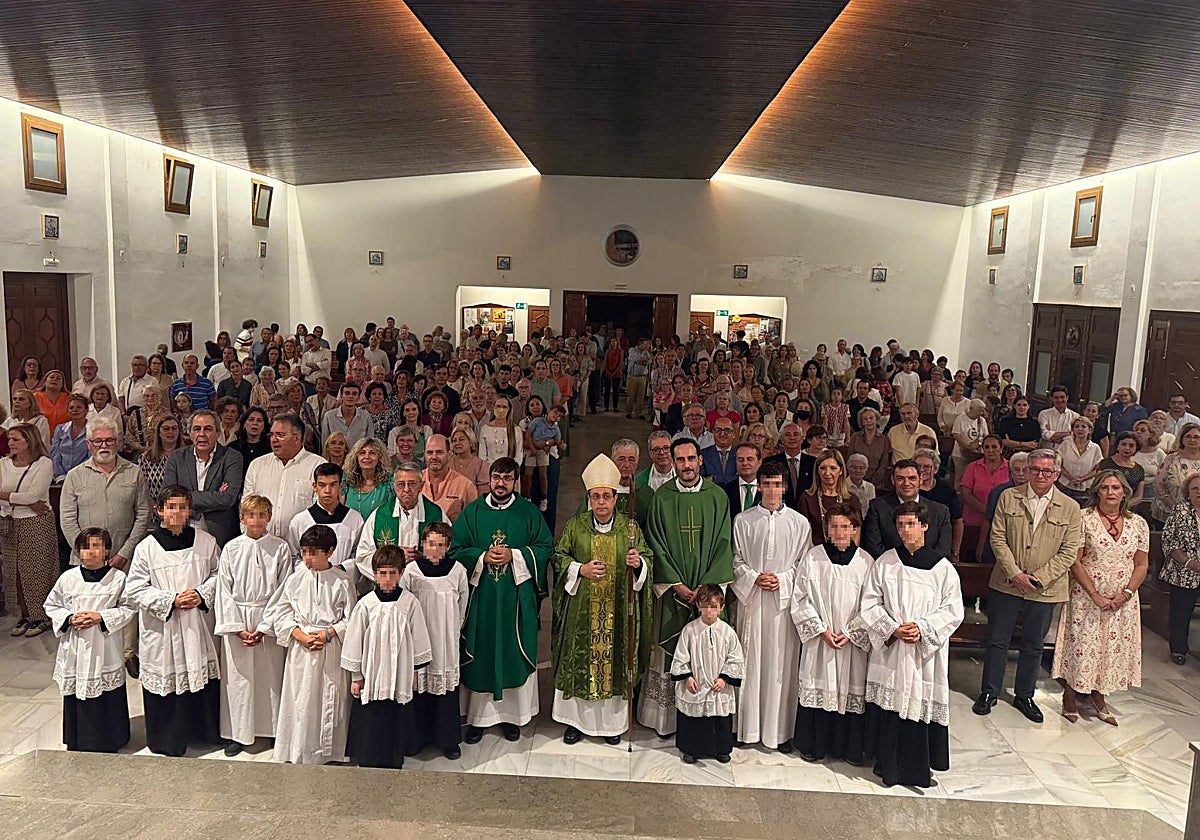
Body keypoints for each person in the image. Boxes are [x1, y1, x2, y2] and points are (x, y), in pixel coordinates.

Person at [853, 501, 963, 787]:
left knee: (917, 702)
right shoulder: (886, 562)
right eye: (900, 525)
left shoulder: (942, 569)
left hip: (922, 653)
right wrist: (892, 628)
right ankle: (885, 763)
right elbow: (870, 603)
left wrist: (923, 629)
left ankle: (916, 767)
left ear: (925, 526)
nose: (905, 530)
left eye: (911, 524)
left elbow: (953, 611)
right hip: (892, 648)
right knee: (890, 704)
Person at [975, 449, 1082, 722]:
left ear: (1057, 474)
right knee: (997, 640)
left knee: (1033, 645)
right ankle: (989, 691)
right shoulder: (1008, 497)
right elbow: (997, 538)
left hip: (1045, 589)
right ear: (1026, 470)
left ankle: (1024, 695)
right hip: (1006, 583)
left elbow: (1069, 551)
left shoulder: (1070, 507)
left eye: (1047, 471)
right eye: (1035, 469)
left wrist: (1039, 578)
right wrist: (1015, 574)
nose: (1040, 475)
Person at [551, 454, 651, 745]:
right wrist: (579, 569)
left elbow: (647, 558)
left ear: (615, 498)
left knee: (616, 662)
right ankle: (575, 723)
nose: (602, 502)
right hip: (582, 611)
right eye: (596, 497)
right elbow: (558, 558)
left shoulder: (629, 528)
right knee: (580, 661)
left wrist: (638, 563)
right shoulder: (577, 526)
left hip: (618, 610)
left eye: (607, 496)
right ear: (589, 498)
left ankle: (611, 726)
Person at [452, 457, 553, 742]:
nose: (500, 483)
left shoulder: (529, 512)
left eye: (507, 479)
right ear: (489, 479)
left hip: (516, 600)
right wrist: (481, 556)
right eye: (496, 477)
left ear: (515, 481)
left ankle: (513, 718)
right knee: (481, 651)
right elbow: (455, 549)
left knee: (511, 651)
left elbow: (546, 547)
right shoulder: (472, 513)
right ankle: (478, 719)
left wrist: (516, 555)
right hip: (482, 598)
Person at [638, 439, 734, 737]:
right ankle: (666, 721)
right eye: (680, 460)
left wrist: (706, 589)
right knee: (669, 653)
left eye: (691, 458)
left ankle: (705, 724)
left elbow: (723, 543)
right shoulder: (662, 497)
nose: (687, 465)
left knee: (708, 654)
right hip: (673, 593)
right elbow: (655, 542)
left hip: (707, 596)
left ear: (700, 461)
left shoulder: (717, 497)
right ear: (673, 462)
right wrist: (676, 584)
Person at [124, 486, 222, 756]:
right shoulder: (147, 548)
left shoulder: (205, 541)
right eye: (171, 507)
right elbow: (135, 588)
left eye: (182, 507)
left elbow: (219, 574)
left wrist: (201, 593)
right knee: (168, 679)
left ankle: (204, 734)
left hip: (196, 625)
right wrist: (171, 601)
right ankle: (168, 739)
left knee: (200, 675)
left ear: (189, 511)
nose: (177, 513)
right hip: (163, 627)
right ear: (160, 511)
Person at [1051, 471, 1148, 725]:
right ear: (1097, 491)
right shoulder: (1084, 519)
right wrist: (1094, 593)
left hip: (1122, 598)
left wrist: (1126, 593)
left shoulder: (1138, 523)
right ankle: (1070, 693)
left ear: (1124, 491)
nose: (1111, 492)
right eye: (1105, 488)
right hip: (1086, 594)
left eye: (1116, 487)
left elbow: (1140, 564)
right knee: (1082, 644)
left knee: (1110, 648)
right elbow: (1076, 560)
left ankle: (1099, 694)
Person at [730, 461, 809, 751]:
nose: (773, 489)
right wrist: (753, 577)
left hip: (782, 608)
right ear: (759, 486)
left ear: (785, 487)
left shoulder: (800, 524)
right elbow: (735, 559)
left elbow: (804, 563)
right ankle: (747, 729)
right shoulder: (743, 520)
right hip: (752, 604)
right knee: (750, 664)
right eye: (767, 483)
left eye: (778, 484)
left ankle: (780, 732)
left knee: (781, 669)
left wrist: (784, 579)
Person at [264, 523, 354, 764]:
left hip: (330, 648)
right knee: (301, 700)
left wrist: (330, 633)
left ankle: (329, 751)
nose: (307, 558)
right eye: (304, 551)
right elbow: (280, 613)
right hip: (302, 649)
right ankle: (298, 749)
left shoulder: (342, 581)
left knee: (329, 700)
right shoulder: (295, 580)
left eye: (314, 552)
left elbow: (352, 619)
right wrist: (299, 635)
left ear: (330, 551)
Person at [790, 502, 872, 765]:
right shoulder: (813, 558)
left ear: (855, 529)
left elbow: (872, 605)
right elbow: (800, 599)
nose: (839, 531)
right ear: (826, 529)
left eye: (845, 526)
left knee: (849, 691)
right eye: (834, 526)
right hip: (821, 640)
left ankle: (849, 748)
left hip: (851, 642)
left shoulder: (865, 562)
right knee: (819, 687)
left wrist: (850, 632)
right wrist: (821, 630)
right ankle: (814, 745)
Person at [213, 495, 292, 756]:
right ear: (242, 518)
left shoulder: (280, 548)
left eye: (261, 515)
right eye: (251, 515)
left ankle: (270, 730)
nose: (256, 521)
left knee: (270, 677)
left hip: (268, 616)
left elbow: (283, 589)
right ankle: (238, 733)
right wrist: (236, 626)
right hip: (238, 616)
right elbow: (224, 589)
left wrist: (265, 626)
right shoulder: (231, 548)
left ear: (269, 517)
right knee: (239, 680)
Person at [341, 544, 432, 769]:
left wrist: (413, 672)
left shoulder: (409, 602)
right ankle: (368, 759)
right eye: (383, 573)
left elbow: (418, 636)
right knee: (371, 718)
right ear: (375, 574)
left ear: (401, 573)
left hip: (399, 673)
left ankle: (394, 759)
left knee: (395, 716)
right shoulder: (366, 604)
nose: (388, 578)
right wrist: (356, 676)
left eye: (393, 573)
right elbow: (354, 641)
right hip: (371, 675)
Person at [44, 527, 134, 752]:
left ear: (106, 550)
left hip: (105, 645)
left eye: (97, 546)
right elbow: (52, 605)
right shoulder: (68, 578)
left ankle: (113, 738)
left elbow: (129, 607)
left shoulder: (118, 578)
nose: (91, 552)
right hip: (76, 645)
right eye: (86, 547)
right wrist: (70, 618)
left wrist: (100, 617)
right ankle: (78, 738)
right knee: (77, 690)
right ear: (78, 552)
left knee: (107, 690)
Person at [402, 522, 468, 759]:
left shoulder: (457, 570)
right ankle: (418, 738)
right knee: (420, 687)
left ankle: (448, 740)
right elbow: (404, 605)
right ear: (422, 544)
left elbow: (463, 602)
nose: (434, 550)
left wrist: (452, 629)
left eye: (440, 545)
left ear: (448, 546)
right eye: (430, 544)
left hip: (445, 639)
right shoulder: (411, 571)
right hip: (419, 637)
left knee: (445, 689)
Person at [670, 583, 744, 764]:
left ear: (721, 608)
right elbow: (680, 657)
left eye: (713, 606)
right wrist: (687, 677)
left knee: (720, 720)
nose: (708, 611)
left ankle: (721, 750)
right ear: (698, 606)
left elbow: (735, 658)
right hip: (696, 684)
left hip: (718, 686)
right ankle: (691, 750)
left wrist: (724, 679)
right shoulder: (690, 630)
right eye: (704, 606)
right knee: (693, 721)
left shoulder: (727, 632)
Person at [0, 424, 56, 637]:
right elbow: (29, 498)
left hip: (36, 523)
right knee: (14, 572)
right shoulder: (3, 464)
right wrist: (23, 500)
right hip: (9, 523)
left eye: (15, 439)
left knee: (37, 571)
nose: (10, 443)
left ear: (29, 441)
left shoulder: (43, 463)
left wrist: (10, 497)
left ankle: (41, 616)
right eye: (9, 439)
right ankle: (24, 614)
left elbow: (35, 495)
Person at [354, 462, 444, 586]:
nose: (406, 489)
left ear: (421, 485)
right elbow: (363, 557)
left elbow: (449, 551)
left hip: (427, 586)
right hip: (390, 589)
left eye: (412, 484)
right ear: (394, 486)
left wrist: (425, 558)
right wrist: (394, 561)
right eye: (401, 484)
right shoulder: (379, 515)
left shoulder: (436, 514)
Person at [164, 410, 244, 547]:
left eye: (208, 429)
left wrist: (186, 496)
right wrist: (215, 496)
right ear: (190, 433)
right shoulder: (176, 458)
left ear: (218, 433)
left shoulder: (232, 457)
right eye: (197, 429)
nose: (202, 434)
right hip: (183, 528)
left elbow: (228, 498)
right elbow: (168, 496)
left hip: (220, 533)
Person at [243, 414, 327, 540]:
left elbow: (322, 509)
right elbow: (246, 505)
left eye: (280, 435)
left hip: (303, 549)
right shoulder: (257, 465)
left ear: (297, 438)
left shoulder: (318, 465)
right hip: (262, 545)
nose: (274, 439)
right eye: (271, 435)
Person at [287, 462, 365, 582]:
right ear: (314, 487)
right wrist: (312, 569)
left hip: (342, 581)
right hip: (311, 582)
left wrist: (341, 568)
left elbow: (360, 554)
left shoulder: (354, 519)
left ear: (341, 486)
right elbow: (293, 556)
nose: (327, 490)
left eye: (333, 485)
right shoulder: (301, 520)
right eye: (322, 485)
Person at [862, 460, 951, 559]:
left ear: (920, 479)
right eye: (900, 478)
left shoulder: (941, 512)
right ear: (893, 480)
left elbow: (943, 549)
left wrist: (920, 566)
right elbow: (873, 546)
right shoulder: (877, 507)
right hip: (889, 569)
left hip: (928, 571)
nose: (906, 483)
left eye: (912, 478)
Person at [1161, 473, 1200, 665]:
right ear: (1188, 493)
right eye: (1195, 489)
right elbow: (1169, 542)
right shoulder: (1181, 510)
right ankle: (1178, 648)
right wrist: (1188, 563)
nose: (1199, 493)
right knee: (1181, 611)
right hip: (1183, 571)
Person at [959, 435, 1009, 559]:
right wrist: (988, 512)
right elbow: (966, 494)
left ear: (1001, 449)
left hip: (1001, 523)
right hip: (973, 520)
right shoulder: (972, 467)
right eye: (986, 447)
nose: (990, 450)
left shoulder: (1011, 467)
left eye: (994, 447)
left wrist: (995, 514)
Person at [797, 449, 862, 544]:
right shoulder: (807, 498)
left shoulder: (852, 499)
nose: (827, 473)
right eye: (823, 468)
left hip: (846, 554)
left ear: (841, 471)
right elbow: (805, 536)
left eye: (833, 468)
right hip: (815, 554)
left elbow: (856, 534)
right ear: (817, 471)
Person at [1058, 417, 1103, 503]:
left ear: (1089, 430)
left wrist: (1082, 479)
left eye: (1083, 426)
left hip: (1086, 489)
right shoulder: (1065, 444)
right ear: (1073, 430)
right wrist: (1071, 478)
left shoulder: (1095, 448)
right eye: (1077, 426)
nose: (1080, 429)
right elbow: (1058, 465)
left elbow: (1097, 469)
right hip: (1064, 486)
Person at [847, 407, 892, 492]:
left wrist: (872, 483)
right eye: (865, 419)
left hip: (876, 483)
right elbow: (849, 461)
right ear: (862, 422)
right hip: (856, 481)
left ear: (877, 420)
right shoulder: (855, 437)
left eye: (871, 418)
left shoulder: (884, 440)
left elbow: (883, 465)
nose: (868, 421)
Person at [1097, 432, 1146, 507]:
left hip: (1128, 508)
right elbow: (1098, 487)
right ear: (1117, 446)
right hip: (1105, 505)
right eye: (1123, 444)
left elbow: (1138, 496)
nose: (1127, 448)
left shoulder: (1139, 469)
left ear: (1136, 448)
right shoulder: (1105, 464)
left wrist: (1123, 506)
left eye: (1131, 445)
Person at [721, 442, 763, 520]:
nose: (745, 463)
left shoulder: (768, 489)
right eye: (740, 460)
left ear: (759, 462)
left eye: (750, 459)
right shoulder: (726, 491)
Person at [700, 419, 739, 486]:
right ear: (713, 432)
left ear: (734, 434)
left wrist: (714, 478)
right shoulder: (703, 454)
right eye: (718, 430)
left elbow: (743, 477)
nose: (722, 434)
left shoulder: (740, 454)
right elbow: (702, 480)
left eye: (727, 430)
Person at [1038, 386, 1079, 450]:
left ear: (1067, 398)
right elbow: (1044, 434)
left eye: (1062, 397)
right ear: (1052, 398)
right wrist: (1068, 433)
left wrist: (1052, 435)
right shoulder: (1044, 414)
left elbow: (1075, 436)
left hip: (1066, 451)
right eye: (1056, 397)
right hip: (1046, 450)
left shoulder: (1075, 416)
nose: (1059, 400)